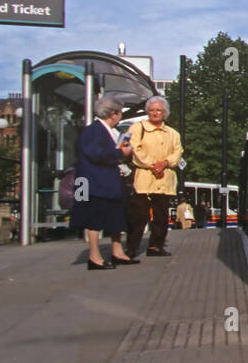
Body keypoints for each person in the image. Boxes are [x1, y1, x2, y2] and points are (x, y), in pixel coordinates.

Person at [72, 96, 139, 270]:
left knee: (116, 218)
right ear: (112, 113)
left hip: (110, 182)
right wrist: (120, 152)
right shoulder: (92, 130)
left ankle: (117, 252)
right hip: (96, 183)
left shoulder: (113, 131)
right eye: (119, 113)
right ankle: (94, 257)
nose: (120, 117)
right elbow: (96, 153)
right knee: (95, 219)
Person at [125, 95, 183, 258]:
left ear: (165, 113)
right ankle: (131, 249)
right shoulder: (137, 128)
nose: (155, 113)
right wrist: (153, 165)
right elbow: (135, 149)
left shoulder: (173, 134)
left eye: (158, 110)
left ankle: (156, 247)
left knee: (161, 217)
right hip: (143, 180)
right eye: (151, 110)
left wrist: (164, 163)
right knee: (138, 217)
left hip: (165, 181)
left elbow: (177, 153)